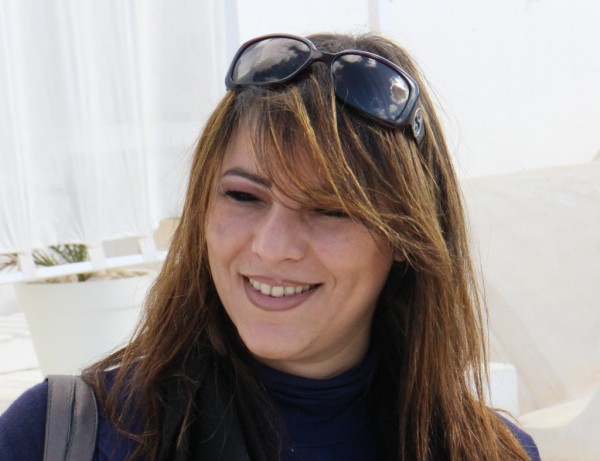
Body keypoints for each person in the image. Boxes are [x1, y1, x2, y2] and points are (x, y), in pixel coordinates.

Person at [0, 32, 541, 461]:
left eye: (331, 208)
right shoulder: (59, 435)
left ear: (407, 236)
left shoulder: (491, 452)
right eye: (243, 196)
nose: (272, 245)